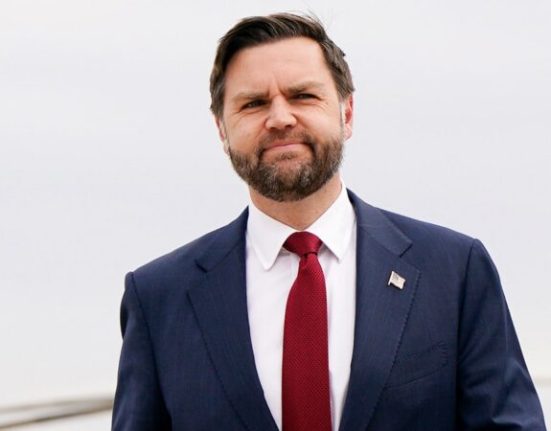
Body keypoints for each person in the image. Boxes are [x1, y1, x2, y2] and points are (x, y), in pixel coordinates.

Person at [112, 13, 546, 431]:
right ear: (222, 130)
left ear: (347, 113)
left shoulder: (453, 272)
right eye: (253, 103)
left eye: (303, 95)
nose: (280, 118)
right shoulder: (158, 299)